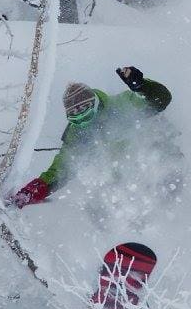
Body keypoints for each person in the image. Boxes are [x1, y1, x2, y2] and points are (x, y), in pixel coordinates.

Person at [9, 66, 172, 208]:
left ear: (95, 104)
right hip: (125, 189)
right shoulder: (77, 134)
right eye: (76, 118)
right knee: (101, 201)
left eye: (85, 113)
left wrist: (142, 86)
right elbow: (61, 168)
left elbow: (161, 99)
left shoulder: (120, 106)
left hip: (156, 168)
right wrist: (32, 191)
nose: (83, 121)